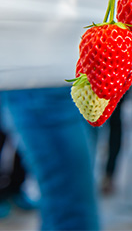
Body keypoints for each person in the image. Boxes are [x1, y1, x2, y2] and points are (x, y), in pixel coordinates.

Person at [0, 87, 100, 230]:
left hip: (72, 82)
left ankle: (14, 188)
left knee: (69, 207)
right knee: (72, 212)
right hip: (45, 86)